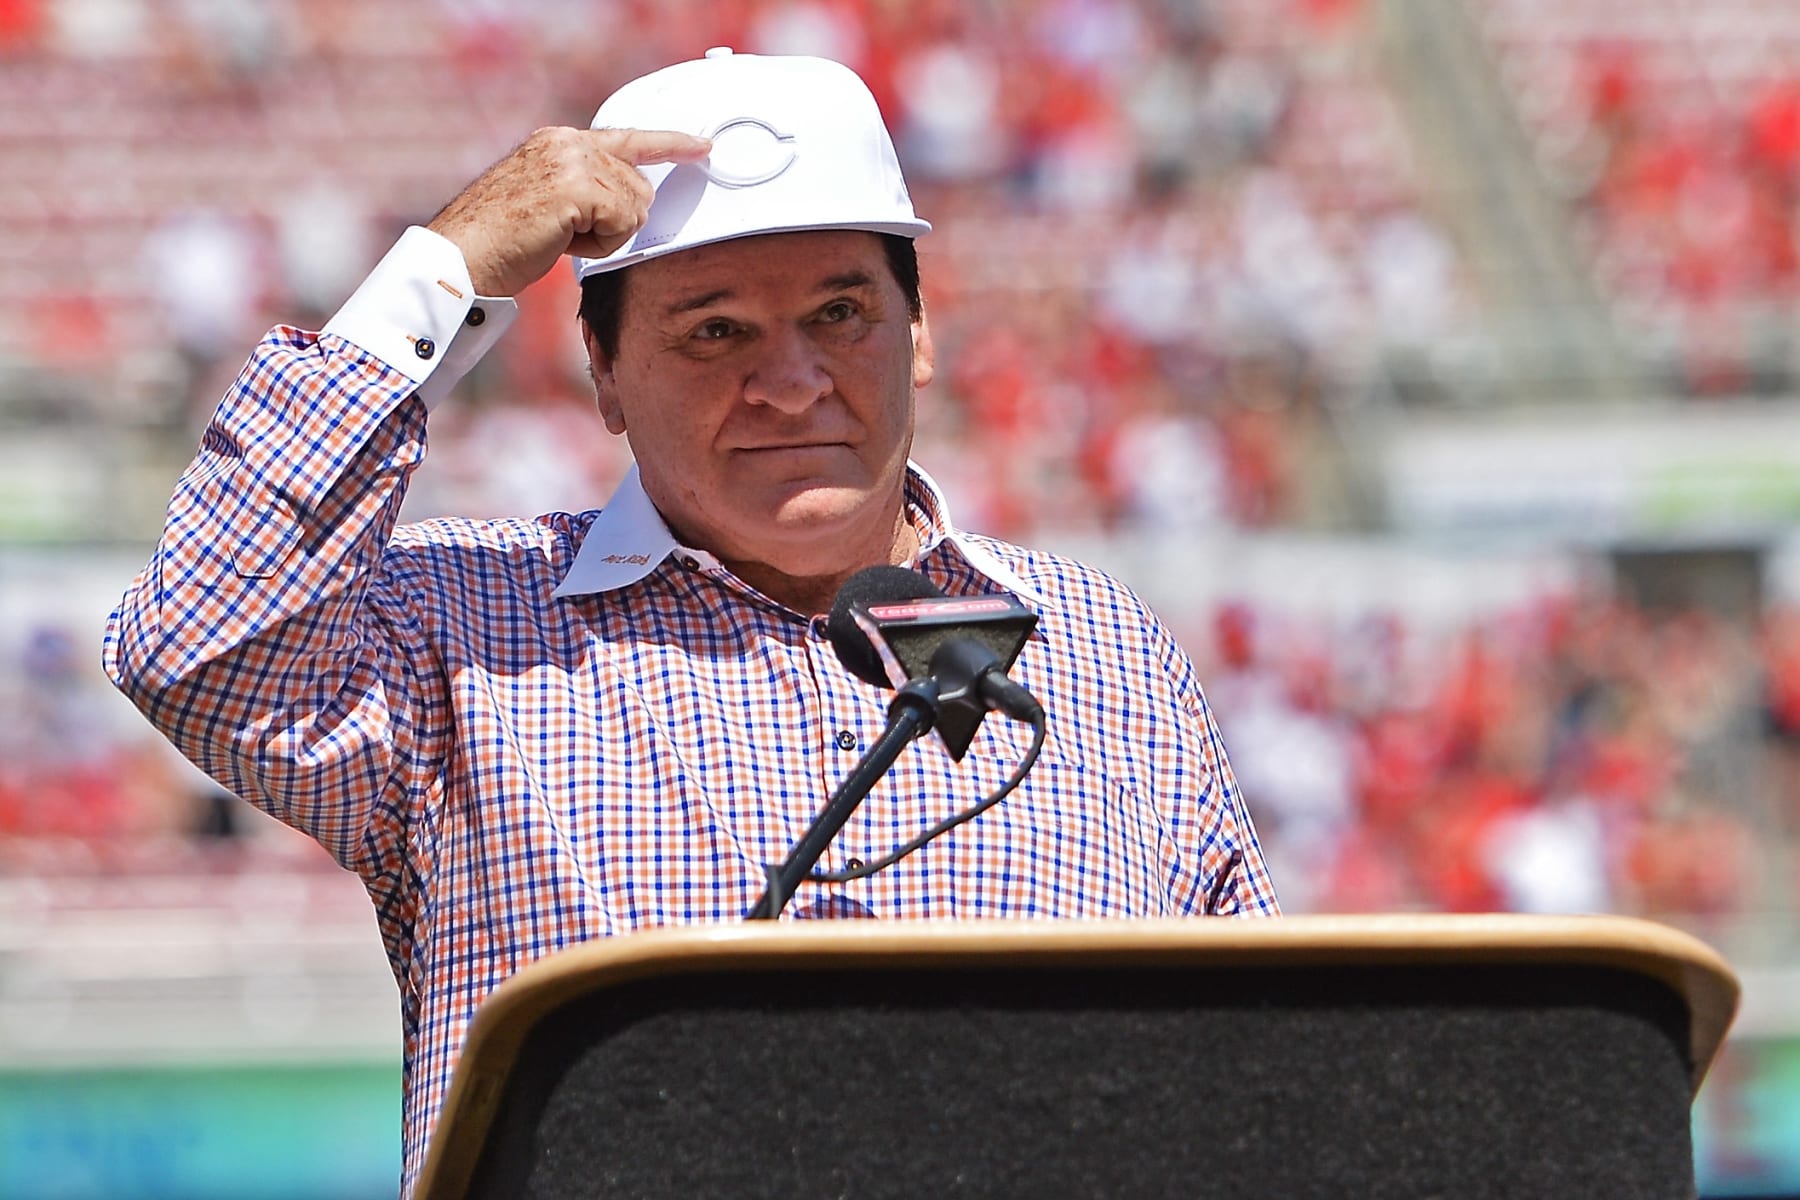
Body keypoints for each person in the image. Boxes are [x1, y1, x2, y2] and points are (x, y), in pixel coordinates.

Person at [104, 48, 1278, 1195]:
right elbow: (199, 644)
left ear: (919, 337)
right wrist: (448, 268)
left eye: (840, 312)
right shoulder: (461, 624)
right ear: (604, 372)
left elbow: (1260, 1081)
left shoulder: (1100, 646)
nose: (794, 380)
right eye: (715, 331)